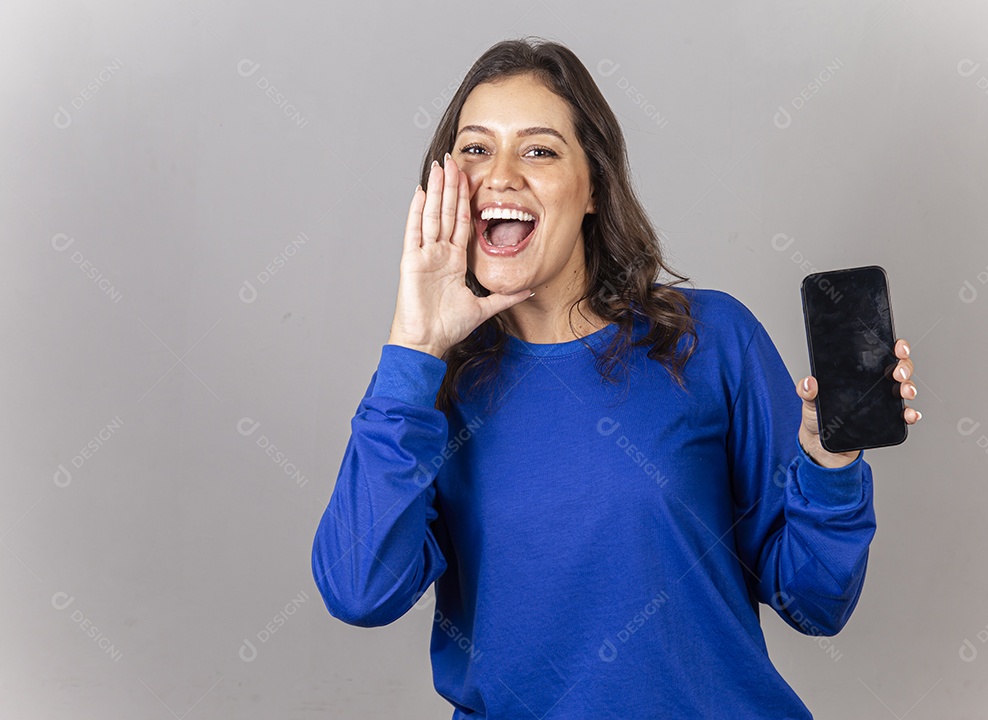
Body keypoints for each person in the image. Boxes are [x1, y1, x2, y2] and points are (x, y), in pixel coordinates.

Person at [311, 36, 920, 720]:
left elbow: (814, 604)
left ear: (593, 187)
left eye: (538, 149)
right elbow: (360, 590)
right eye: (476, 148)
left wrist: (829, 462)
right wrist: (413, 348)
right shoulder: (428, 388)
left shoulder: (709, 340)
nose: (501, 175)